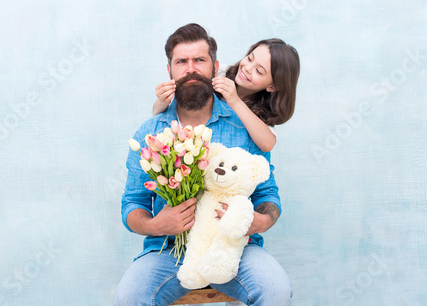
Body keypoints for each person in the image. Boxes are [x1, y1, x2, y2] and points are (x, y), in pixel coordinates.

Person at [116, 23, 292, 306]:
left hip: (236, 248)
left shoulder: (245, 125)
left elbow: (267, 195)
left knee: (275, 290)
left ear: (215, 67)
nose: (191, 69)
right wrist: (156, 224)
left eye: (199, 60)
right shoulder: (149, 134)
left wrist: (261, 220)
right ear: (170, 71)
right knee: (129, 297)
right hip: (167, 252)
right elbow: (132, 203)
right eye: (181, 62)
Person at [153, 38, 300, 153]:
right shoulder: (220, 73)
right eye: (249, 58)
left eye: (259, 71)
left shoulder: (263, 111)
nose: (248, 68)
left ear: (272, 86)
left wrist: (235, 101)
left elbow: (267, 144)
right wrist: (162, 100)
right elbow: (156, 112)